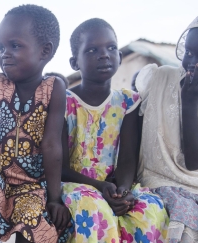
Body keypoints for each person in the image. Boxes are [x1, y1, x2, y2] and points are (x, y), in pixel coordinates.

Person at [0, 4, 70, 243]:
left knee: (32, 224)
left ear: (44, 51)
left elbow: (52, 145)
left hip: (32, 184)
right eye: (1, 47)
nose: (5, 53)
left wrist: (54, 198)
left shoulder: (54, 88)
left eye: (14, 46)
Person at [61, 18, 169, 242]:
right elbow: (59, 167)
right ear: (74, 62)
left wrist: (123, 191)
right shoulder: (63, 103)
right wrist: (100, 186)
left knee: (150, 210)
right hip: (75, 185)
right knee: (93, 209)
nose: (104, 54)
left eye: (111, 47)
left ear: (119, 56)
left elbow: (128, 158)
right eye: (92, 49)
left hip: (113, 185)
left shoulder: (128, 102)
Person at [136, 16, 198, 242]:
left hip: (194, 183)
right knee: (181, 213)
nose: (193, 63)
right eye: (189, 53)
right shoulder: (161, 78)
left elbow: (193, 162)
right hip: (160, 179)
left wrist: (191, 101)